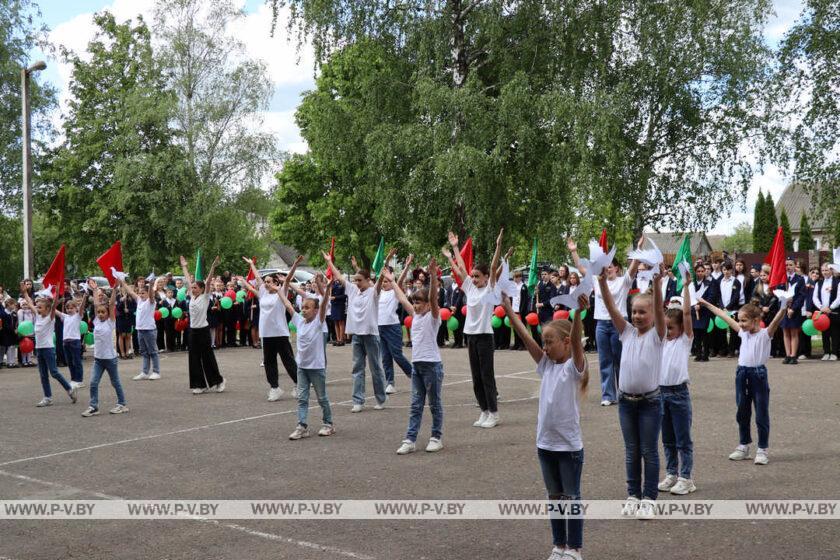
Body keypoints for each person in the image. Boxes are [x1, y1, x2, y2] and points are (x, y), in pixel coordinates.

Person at [504, 290, 588, 560]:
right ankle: (559, 546)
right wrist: (508, 309)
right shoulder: (546, 366)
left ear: (566, 342)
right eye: (545, 342)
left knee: (571, 497)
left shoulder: (574, 368)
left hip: (569, 447)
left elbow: (576, 341)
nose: (546, 347)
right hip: (545, 444)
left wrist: (576, 314)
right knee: (554, 497)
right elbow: (525, 337)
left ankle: (574, 548)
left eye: (550, 342)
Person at [597, 264, 666, 520]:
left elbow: (659, 310)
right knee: (631, 450)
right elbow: (611, 306)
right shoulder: (626, 332)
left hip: (650, 403)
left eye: (642, 312)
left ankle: (649, 498)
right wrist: (603, 283)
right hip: (626, 402)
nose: (637, 316)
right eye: (634, 312)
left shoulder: (658, 335)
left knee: (648, 450)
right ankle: (632, 495)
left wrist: (657, 286)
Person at [699, 296, 787, 465]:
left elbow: (776, 320)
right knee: (742, 412)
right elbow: (723, 315)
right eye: (739, 320)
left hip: (758, 375)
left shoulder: (765, 334)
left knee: (761, 413)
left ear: (756, 320)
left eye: (744, 321)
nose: (740, 324)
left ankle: (762, 449)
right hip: (741, 374)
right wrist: (706, 303)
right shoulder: (742, 332)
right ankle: (744, 445)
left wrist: (783, 306)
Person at [568, 237, 640, 406]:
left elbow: (634, 266)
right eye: (605, 266)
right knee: (604, 360)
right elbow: (580, 268)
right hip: (601, 324)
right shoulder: (596, 280)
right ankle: (608, 395)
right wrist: (573, 251)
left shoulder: (624, 282)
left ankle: (625, 392)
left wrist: (638, 248)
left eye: (610, 266)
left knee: (620, 359)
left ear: (616, 268)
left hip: (619, 324)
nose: (608, 269)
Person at [443, 228, 504, 429]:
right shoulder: (469, 288)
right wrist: (454, 247)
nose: (474, 279)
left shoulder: (489, 288)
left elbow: (494, 265)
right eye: (473, 276)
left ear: (487, 277)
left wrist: (498, 247)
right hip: (471, 337)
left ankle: (494, 413)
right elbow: (461, 267)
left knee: (487, 376)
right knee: (476, 377)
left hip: (485, 336)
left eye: (478, 276)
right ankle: (484, 411)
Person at [323, 248, 395, 412]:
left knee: (375, 368)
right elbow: (339, 277)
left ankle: (381, 399)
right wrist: (329, 261)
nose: (356, 283)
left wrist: (388, 259)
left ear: (368, 280)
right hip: (357, 335)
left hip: (370, 335)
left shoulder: (374, 292)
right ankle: (358, 400)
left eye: (359, 280)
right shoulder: (352, 290)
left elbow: (382, 276)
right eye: (355, 280)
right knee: (357, 368)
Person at [386, 260, 446, 454]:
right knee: (415, 405)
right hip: (417, 366)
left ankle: (436, 437)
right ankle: (410, 439)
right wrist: (392, 280)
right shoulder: (416, 316)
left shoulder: (433, 317)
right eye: (415, 303)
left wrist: (434, 276)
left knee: (434, 404)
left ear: (428, 304)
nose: (415, 306)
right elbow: (403, 298)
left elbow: (434, 299)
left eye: (419, 302)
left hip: (432, 366)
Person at [241, 256, 302, 401]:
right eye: (265, 282)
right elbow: (257, 278)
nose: (266, 283)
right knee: (269, 361)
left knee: (288, 360)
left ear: (276, 282)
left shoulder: (282, 292)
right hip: (266, 334)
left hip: (280, 332)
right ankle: (274, 388)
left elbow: (287, 280)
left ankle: (299, 385)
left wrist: (294, 264)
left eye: (269, 281)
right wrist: (251, 264)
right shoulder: (263, 292)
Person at [657, 273, 696, 496]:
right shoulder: (661, 342)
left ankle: (686, 477)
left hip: (679, 394)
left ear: (681, 329)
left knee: (683, 439)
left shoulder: (684, 340)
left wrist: (687, 287)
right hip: (661, 394)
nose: (667, 332)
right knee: (667, 438)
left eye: (670, 328)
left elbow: (688, 313)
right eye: (665, 328)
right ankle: (671, 473)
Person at [280, 278, 335, 439]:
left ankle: (328, 423)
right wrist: (279, 292)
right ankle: (302, 426)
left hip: (316, 368)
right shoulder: (299, 321)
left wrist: (325, 288)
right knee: (302, 398)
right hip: (302, 367)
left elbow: (324, 303)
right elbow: (289, 306)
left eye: (307, 308)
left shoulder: (319, 322)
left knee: (321, 397)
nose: (303, 310)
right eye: (302, 307)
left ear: (316, 311)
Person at [20, 282, 77, 407]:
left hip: (48, 349)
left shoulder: (50, 318)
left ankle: (69, 389)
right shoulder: (39, 316)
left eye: (40, 307)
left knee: (54, 372)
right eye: (37, 307)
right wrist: (24, 292)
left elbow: (53, 305)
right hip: (39, 350)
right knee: (43, 375)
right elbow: (29, 303)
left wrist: (55, 295)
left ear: (47, 309)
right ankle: (48, 397)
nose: (37, 309)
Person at [81, 279, 128, 416]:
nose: (100, 314)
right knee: (93, 383)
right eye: (99, 312)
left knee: (115, 382)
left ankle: (122, 404)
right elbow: (96, 304)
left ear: (108, 314)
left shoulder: (110, 322)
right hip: (98, 359)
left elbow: (112, 303)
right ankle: (93, 406)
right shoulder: (96, 321)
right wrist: (95, 289)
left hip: (110, 358)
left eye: (103, 312)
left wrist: (114, 289)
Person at [180, 254, 225, 394]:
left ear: (201, 289)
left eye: (195, 288)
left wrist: (213, 266)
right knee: (193, 358)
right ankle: (199, 384)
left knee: (207, 357)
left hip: (203, 331)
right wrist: (184, 266)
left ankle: (219, 381)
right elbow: (188, 279)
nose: (192, 289)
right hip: (192, 331)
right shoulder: (192, 297)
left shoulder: (205, 297)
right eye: (192, 288)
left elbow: (209, 280)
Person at [373, 255, 414, 395]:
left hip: (393, 327)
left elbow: (400, 280)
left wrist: (407, 265)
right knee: (385, 357)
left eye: (386, 281)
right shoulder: (378, 293)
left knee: (397, 355)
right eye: (382, 281)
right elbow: (377, 281)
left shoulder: (395, 293)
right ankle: (390, 383)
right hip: (380, 328)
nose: (384, 283)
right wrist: (386, 261)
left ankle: (413, 374)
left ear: (391, 282)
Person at [121, 278, 161, 381]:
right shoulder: (139, 301)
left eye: (143, 293)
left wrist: (151, 285)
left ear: (148, 294)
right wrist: (122, 281)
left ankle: (156, 372)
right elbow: (130, 291)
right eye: (140, 293)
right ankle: (144, 372)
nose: (141, 295)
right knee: (144, 352)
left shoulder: (151, 302)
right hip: (140, 330)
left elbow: (151, 295)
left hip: (149, 330)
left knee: (153, 351)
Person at [56, 291, 87, 389]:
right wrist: (57, 301)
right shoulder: (65, 317)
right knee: (69, 362)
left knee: (77, 361)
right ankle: (73, 379)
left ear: (76, 308)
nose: (69, 310)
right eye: (67, 308)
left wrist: (84, 298)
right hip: (66, 342)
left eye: (71, 308)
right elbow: (53, 310)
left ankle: (80, 380)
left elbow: (81, 308)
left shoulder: (78, 316)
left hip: (75, 341)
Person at [779, 258, 806, 365]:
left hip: (795, 310)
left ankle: (793, 355)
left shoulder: (800, 279)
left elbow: (801, 296)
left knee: (794, 332)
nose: (788, 267)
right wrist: (784, 307)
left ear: (795, 266)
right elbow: (779, 293)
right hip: (784, 309)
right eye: (786, 265)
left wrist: (793, 308)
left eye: (790, 265)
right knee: (785, 332)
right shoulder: (782, 279)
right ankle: (787, 354)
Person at [813, 263, 839, 360]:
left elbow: (839, 298)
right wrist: (821, 307)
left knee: (835, 332)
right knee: (825, 332)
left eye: (826, 270)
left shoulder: (837, 282)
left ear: (831, 270)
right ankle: (826, 352)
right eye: (823, 270)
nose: (824, 272)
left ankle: (834, 353)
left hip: (834, 311)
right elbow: (815, 297)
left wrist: (830, 308)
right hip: (823, 312)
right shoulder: (818, 283)